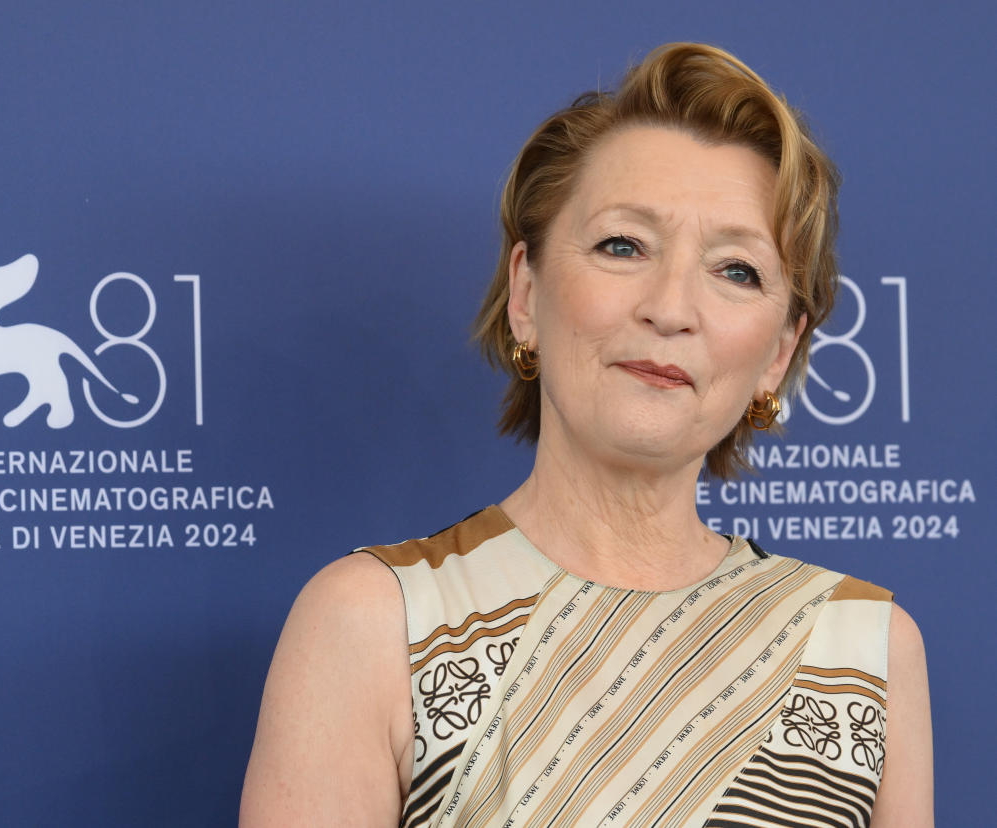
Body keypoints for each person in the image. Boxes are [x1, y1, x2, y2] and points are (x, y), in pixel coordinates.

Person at [240, 43, 932, 827]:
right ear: (526, 292)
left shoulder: (866, 651)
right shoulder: (373, 624)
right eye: (623, 245)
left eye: (736, 269)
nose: (672, 307)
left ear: (778, 352)